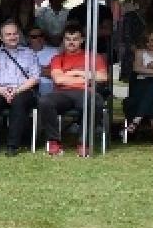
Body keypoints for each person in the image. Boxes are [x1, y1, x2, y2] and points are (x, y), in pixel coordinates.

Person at [40, 27, 109, 156]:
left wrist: (77, 73)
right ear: (63, 41)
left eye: (75, 39)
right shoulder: (57, 58)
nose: (71, 42)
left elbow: (103, 77)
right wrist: (87, 78)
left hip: (85, 93)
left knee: (95, 101)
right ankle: (54, 142)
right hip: (62, 94)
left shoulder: (93, 57)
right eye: (68, 39)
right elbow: (59, 79)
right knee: (45, 101)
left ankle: (84, 143)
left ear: (82, 40)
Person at [0, 21, 41, 156]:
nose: (13, 37)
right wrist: (0, 90)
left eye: (15, 34)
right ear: (1, 38)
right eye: (8, 34)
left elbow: (35, 77)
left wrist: (16, 90)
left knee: (19, 103)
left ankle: (13, 145)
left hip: (22, 90)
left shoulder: (29, 53)